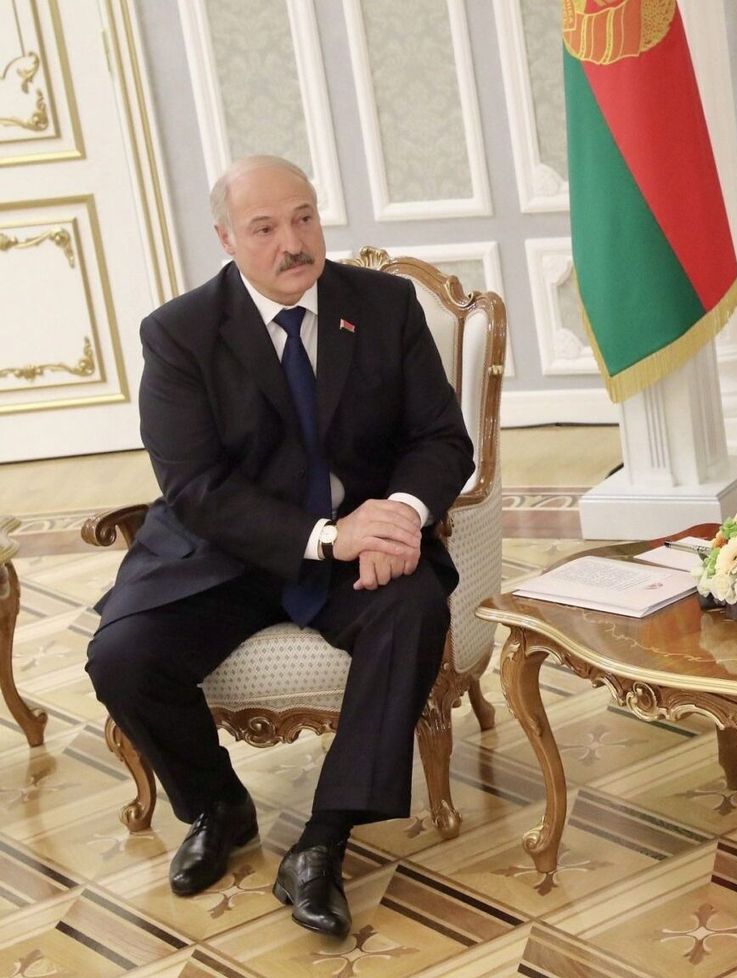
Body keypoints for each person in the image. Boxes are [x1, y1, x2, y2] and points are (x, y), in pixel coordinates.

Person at [86, 155, 474, 938]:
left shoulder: (387, 306)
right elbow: (196, 487)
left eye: (303, 218)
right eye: (265, 228)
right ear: (227, 238)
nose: (292, 242)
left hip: (362, 547)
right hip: (225, 553)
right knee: (122, 655)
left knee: (412, 612)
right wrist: (330, 535)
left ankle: (324, 841)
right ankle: (220, 808)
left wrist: (398, 514)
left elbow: (440, 438)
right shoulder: (180, 334)